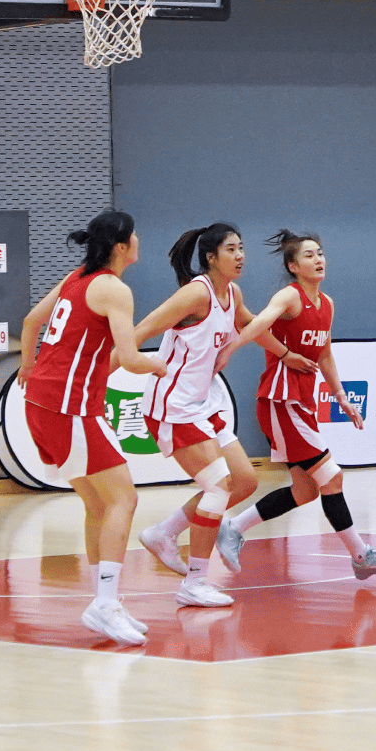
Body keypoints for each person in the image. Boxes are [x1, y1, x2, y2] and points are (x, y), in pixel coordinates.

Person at [213, 231, 376, 581]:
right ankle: (361, 555)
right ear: (293, 266)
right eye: (308, 255)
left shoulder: (327, 304)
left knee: (305, 491)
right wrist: (232, 347)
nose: (318, 259)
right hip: (280, 400)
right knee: (332, 477)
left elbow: (325, 355)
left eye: (320, 253)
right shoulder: (290, 296)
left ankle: (234, 527)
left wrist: (342, 398)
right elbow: (259, 323)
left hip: (301, 402)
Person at [18, 211, 167, 647]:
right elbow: (132, 358)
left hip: (40, 402)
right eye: (134, 235)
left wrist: (28, 365)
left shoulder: (76, 278)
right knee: (124, 498)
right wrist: (160, 366)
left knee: (98, 504)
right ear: (121, 245)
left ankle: (107, 601)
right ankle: (103, 604)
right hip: (70, 408)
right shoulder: (114, 289)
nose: (139, 239)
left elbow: (30, 322)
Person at [131, 223, 288, 609]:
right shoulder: (195, 294)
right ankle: (195, 582)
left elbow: (251, 325)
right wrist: (124, 366)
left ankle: (164, 533)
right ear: (211, 258)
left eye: (241, 248)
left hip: (202, 404)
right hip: (173, 406)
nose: (240, 255)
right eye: (231, 249)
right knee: (219, 487)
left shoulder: (232, 293)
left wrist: (286, 354)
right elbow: (140, 331)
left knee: (244, 481)